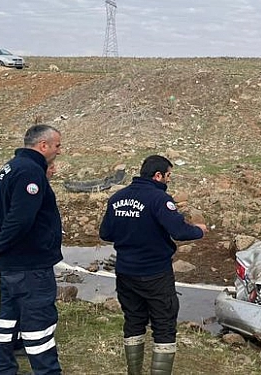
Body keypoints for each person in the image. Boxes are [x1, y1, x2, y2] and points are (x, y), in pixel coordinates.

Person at [99, 155, 208, 375]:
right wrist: (199, 230)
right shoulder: (159, 199)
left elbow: (106, 233)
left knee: (133, 321)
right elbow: (179, 231)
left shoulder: (117, 197)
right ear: (158, 175)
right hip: (155, 273)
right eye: (168, 176)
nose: (168, 180)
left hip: (125, 272)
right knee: (164, 325)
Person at [0, 124, 63, 375]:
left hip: (11, 263)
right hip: (30, 263)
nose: (59, 151)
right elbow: (21, 217)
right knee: (38, 323)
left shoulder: (7, 169)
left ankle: (3, 368)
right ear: (42, 145)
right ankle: (47, 371)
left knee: (7, 317)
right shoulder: (30, 171)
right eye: (57, 145)